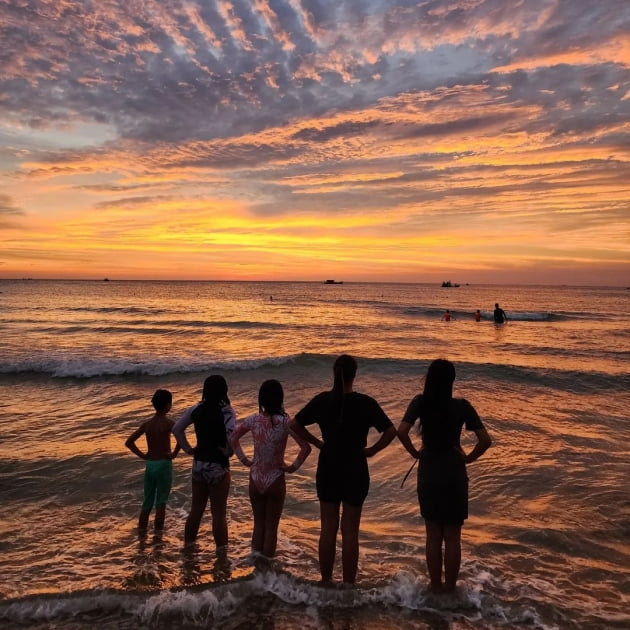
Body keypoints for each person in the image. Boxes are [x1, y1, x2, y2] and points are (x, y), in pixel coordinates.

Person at [290, 354, 397, 585]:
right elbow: (390, 431)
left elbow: (294, 424)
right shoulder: (366, 402)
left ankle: (326, 581)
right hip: (355, 465)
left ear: (333, 374)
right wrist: (372, 450)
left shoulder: (322, 400)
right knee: (350, 531)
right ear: (354, 375)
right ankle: (349, 585)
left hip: (328, 464)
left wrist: (318, 443)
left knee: (328, 528)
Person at [397, 359, 491, 594]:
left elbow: (401, 431)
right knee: (452, 536)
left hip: (429, 469)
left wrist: (415, 453)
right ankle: (450, 589)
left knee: (433, 535)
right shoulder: (461, 406)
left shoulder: (421, 402)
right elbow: (485, 440)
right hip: (453, 472)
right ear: (452, 381)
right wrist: (467, 458)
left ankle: (435, 586)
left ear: (429, 379)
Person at [230, 379, 312, 558]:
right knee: (271, 528)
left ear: (261, 400)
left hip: (255, 476)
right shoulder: (285, 423)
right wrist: (292, 467)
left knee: (258, 525)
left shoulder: (252, 420)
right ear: (280, 399)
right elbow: (306, 447)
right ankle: (267, 574)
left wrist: (244, 460)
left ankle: (256, 570)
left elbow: (233, 438)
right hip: (275, 477)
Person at [172, 375, 236, 546]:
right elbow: (230, 438)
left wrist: (188, 449)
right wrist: (228, 452)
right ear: (224, 391)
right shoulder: (227, 411)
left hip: (198, 464)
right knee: (219, 514)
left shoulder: (196, 409)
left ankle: (188, 546)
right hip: (217, 466)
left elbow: (177, 429)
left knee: (196, 510)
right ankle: (221, 554)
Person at [125, 389, 180, 531]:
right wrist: (174, 453)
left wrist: (143, 456)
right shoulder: (169, 423)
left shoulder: (147, 424)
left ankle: (142, 533)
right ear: (168, 405)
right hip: (163, 464)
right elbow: (180, 437)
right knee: (161, 502)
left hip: (150, 465)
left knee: (147, 501)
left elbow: (129, 442)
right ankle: (158, 534)